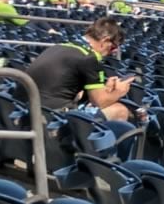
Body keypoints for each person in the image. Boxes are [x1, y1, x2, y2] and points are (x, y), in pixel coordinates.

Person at [22, 18, 139, 156]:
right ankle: (99, 162)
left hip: (27, 110)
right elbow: (99, 102)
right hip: (53, 117)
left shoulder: (60, 46)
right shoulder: (89, 58)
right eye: (112, 48)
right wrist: (119, 91)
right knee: (120, 110)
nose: (110, 53)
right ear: (105, 41)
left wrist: (106, 89)